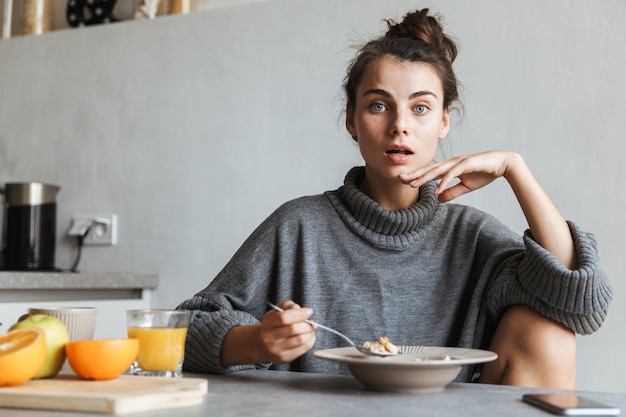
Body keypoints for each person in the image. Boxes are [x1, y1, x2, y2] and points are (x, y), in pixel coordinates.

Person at [177, 8, 612, 388]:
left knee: (549, 327)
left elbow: (579, 303)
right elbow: (178, 332)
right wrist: (256, 340)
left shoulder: (471, 236)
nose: (400, 125)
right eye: (379, 105)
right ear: (350, 120)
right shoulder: (299, 226)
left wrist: (516, 170)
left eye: (420, 108)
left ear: (444, 121)